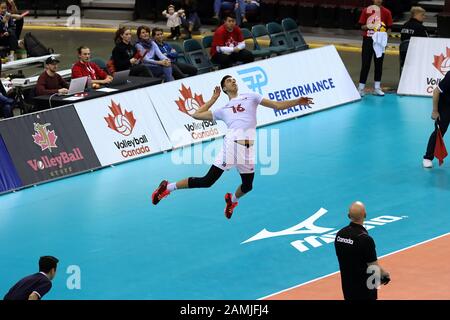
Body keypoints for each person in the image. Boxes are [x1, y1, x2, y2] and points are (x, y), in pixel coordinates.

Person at [151, 75, 313, 219]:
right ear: (224, 89)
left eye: (234, 80)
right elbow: (196, 114)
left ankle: (231, 200)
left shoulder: (251, 96)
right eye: (229, 81)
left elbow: (277, 105)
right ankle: (168, 187)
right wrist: (213, 99)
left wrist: (298, 101)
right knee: (207, 181)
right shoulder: (222, 110)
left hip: (248, 149)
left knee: (248, 186)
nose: (233, 81)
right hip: (232, 146)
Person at [334, 201, 390, 300]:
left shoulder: (339, 235)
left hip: (348, 287)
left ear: (348, 215)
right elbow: (373, 267)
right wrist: (384, 275)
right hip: (366, 289)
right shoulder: (365, 239)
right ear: (365, 215)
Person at [357, 0, 393, 97]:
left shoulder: (387, 12)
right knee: (365, 64)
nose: (379, 0)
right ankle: (361, 88)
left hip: (380, 42)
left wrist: (385, 37)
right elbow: (362, 27)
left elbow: (389, 28)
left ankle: (377, 88)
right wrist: (371, 25)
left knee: (379, 64)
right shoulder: (366, 10)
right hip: (368, 40)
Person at [423, 71, 450, 168]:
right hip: (445, 106)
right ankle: (427, 157)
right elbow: (436, 92)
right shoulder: (449, 76)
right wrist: (435, 111)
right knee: (440, 131)